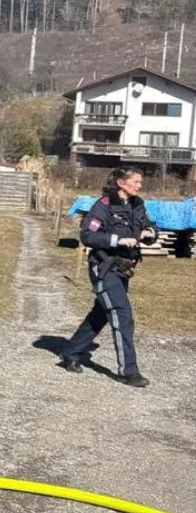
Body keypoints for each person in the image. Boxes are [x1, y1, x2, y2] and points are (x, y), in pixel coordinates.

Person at [58, 166, 157, 387]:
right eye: (137, 181)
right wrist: (118, 241)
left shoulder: (138, 204)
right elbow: (88, 235)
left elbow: (150, 226)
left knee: (102, 313)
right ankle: (128, 371)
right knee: (122, 313)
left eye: (141, 182)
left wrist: (149, 233)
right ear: (121, 183)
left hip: (124, 270)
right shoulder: (102, 206)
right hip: (104, 268)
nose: (140, 185)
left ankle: (71, 352)